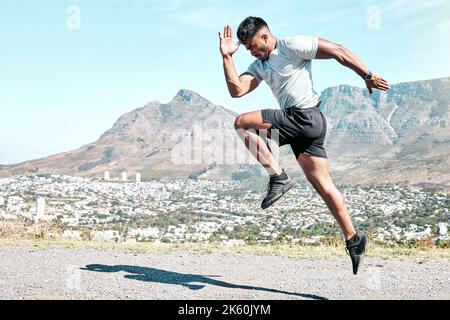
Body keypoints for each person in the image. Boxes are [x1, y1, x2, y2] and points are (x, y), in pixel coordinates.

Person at [218, 16, 390, 275]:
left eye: (253, 46)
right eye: (247, 49)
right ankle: (353, 239)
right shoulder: (259, 65)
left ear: (265, 36)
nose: (252, 52)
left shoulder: (291, 46)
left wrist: (366, 74)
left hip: (303, 116)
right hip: (307, 128)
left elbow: (338, 52)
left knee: (242, 123)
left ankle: (278, 177)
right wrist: (227, 57)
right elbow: (237, 90)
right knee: (324, 186)